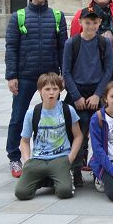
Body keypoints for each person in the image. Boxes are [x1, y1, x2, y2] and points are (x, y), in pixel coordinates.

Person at [5, 0, 68, 178]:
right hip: (24, 75)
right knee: (18, 116)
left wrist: (63, 75)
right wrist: (11, 75)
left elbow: (62, 48)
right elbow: (11, 47)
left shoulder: (57, 16)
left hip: (50, 77)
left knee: (54, 116)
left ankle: (52, 152)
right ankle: (15, 157)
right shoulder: (19, 16)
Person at [62, 6, 113, 187]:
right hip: (77, 91)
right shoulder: (72, 43)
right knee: (77, 133)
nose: (90, 25)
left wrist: (97, 94)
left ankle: (99, 170)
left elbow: (108, 71)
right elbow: (66, 72)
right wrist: (75, 96)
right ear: (80, 22)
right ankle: (75, 169)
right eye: (87, 22)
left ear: (99, 23)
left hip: (96, 93)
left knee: (99, 133)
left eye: (94, 22)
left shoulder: (104, 43)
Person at [14, 73, 83, 201]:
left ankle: (58, 177)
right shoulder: (32, 113)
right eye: (47, 89)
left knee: (65, 192)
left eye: (55, 89)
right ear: (40, 91)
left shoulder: (68, 110)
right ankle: (46, 179)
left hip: (60, 158)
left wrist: (71, 157)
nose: (51, 93)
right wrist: (27, 161)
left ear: (60, 91)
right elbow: (24, 141)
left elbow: (78, 136)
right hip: (38, 158)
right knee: (21, 193)